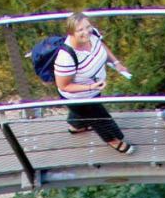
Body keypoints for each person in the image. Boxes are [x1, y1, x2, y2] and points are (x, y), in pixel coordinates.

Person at [53, 12, 134, 156]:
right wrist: (90, 87)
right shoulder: (65, 58)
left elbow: (102, 46)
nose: (86, 32)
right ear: (71, 32)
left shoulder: (93, 35)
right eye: (80, 30)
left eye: (88, 27)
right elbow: (64, 86)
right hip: (80, 97)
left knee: (85, 114)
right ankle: (113, 140)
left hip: (95, 89)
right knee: (100, 118)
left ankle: (76, 126)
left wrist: (116, 63)